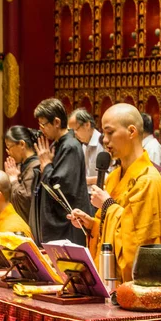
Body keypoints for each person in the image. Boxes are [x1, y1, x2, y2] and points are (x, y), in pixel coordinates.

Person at [67, 104, 161, 278]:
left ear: (131, 132)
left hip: (132, 286)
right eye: (104, 133)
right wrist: (91, 224)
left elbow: (139, 242)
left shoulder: (148, 180)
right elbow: (113, 230)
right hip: (108, 275)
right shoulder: (113, 177)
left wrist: (107, 204)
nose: (104, 140)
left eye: (110, 132)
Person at [31, 98, 92, 246]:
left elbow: (61, 188)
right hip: (64, 223)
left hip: (69, 225)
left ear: (57, 122)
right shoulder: (58, 145)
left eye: (44, 124)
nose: (41, 129)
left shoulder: (70, 146)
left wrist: (46, 165)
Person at [3, 126, 40, 222]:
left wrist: (13, 180)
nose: (8, 153)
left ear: (22, 144)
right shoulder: (25, 165)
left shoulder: (35, 166)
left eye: (9, 147)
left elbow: (25, 200)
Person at [68, 108, 107, 193]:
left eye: (76, 129)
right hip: (86, 194)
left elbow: (111, 176)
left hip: (100, 194)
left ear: (87, 125)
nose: (74, 134)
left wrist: (87, 180)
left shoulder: (103, 144)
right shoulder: (83, 145)